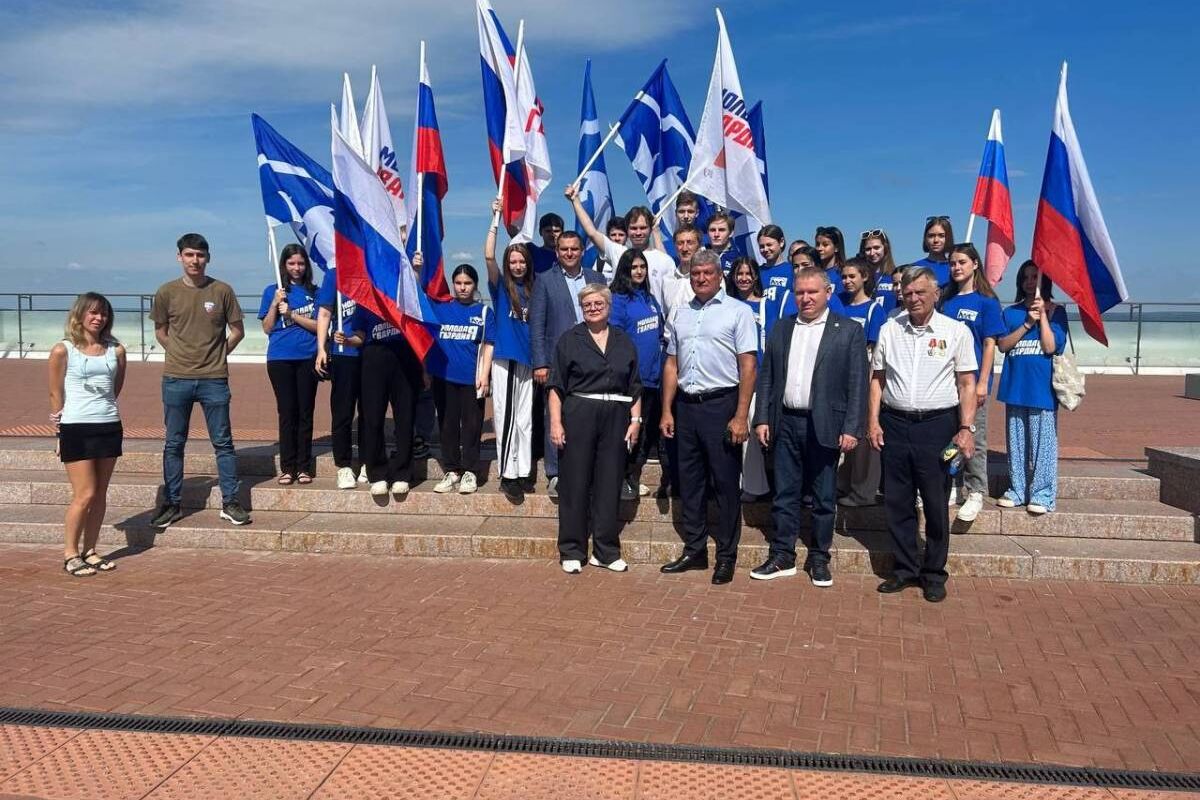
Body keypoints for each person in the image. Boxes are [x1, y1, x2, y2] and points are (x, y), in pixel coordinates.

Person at [867, 267, 978, 602]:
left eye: (920, 293)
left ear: (935, 294)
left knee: (934, 501)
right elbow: (878, 379)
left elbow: (967, 383)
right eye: (908, 292)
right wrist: (872, 421)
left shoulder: (956, 331)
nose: (913, 298)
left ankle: (933, 574)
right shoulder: (889, 329)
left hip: (937, 426)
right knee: (898, 502)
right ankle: (904, 570)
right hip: (895, 424)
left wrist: (965, 427)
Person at [753, 268, 867, 586]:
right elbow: (768, 378)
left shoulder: (847, 331)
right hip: (785, 421)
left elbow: (857, 383)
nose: (805, 298)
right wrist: (762, 417)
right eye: (800, 292)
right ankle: (782, 555)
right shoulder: (781, 328)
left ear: (828, 292)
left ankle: (819, 557)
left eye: (812, 292)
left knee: (823, 496)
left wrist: (851, 427)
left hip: (826, 424)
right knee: (785, 494)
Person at [659, 250, 758, 585]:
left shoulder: (738, 312)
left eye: (706, 273)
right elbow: (672, 363)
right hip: (686, 407)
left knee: (726, 484)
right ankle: (695, 549)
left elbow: (748, 366)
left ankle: (726, 555)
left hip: (722, 405)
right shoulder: (681, 313)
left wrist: (741, 415)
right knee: (690, 481)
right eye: (695, 273)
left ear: (719, 275)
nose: (700, 278)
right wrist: (666, 409)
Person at [150, 233, 249, 528]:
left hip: (214, 380)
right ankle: (172, 503)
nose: (195, 260)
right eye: (190, 255)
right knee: (173, 443)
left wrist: (218, 355)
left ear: (208, 258)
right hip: (176, 378)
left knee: (223, 443)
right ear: (179, 257)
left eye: (200, 255)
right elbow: (161, 331)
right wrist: (180, 353)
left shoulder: (222, 291)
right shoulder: (166, 292)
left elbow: (237, 331)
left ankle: (230, 502)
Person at [549, 284, 643, 574]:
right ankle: (572, 549)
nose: (592, 307)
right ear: (582, 307)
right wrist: (555, 422)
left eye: (598, 303)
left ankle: (605, 550)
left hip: (616, 416)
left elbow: (634, 386)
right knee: (575, 483)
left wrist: (636, 421)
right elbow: (556, 386)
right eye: (587, 303)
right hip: (579, 414)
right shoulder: (569, 340)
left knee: (609, 483)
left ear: (608, 306)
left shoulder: (623, 340)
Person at [49, 293, 126, 576]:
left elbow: (115, 388)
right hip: (76, 427)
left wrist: (102, 410)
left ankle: (90, 550)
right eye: (93, 312)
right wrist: (58, 432)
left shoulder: (115, 350)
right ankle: (70, 553)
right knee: (85, 493)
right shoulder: (63, 350)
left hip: (108, 425)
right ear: (80, 315)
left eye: (103, 313)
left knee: (101, 493)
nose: (98, 318)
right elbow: (56, 393)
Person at [530, 230, 606, 497]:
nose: (570, 253)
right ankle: (555, 472)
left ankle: (589, 467)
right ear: (557, 252)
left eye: (574, 249)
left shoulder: (596, 278)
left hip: (592, 358)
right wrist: (540, 362)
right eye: (564, 249)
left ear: (582, 251)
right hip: (557, 359)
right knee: (555, 413)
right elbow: (537, 325)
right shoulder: (544, 280)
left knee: (589, 412)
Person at [995, 261, 1069, 515]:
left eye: (1034, 276)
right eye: (1025, 277)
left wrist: (1044, 317)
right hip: (1016, 386)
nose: (1029, 281)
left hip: (1042, 391)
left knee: (1043, 445)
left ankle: (1042, 493)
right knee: (1016, 444)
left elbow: (1050, 346)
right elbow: (1003, 345)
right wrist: (1027, 322)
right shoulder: (1011, 312)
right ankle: (1017, 489)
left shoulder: (1057, 311)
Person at [418, 260, 495, 495]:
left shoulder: (483, 312)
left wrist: (484, 374)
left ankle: (470, 471)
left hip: (472, 379)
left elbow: (489, 344)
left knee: (472, 426)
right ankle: (452, 470)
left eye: (468, 283)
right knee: (447, 425)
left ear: (475, 284)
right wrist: (418, 269)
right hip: (443, 377)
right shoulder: (441, 308)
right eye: (458, 283)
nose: (463, 287)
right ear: (452, 284)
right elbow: (417, 297)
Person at [940, 243, 1005, 522]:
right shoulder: (945, 301)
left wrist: (983, 382)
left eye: (962, 262)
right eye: (953, 263)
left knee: (974, 436)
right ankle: (953, 484)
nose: (957, 268)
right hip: (945, 381)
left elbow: (990, 344)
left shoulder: (986, 302)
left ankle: (976, 489)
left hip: (972, 380)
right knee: (949, 435)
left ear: (975, 264)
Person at [349, 297, 424, 499]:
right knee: (372, 419)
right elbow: (359, 335)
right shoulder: (365, 301)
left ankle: (403, 473)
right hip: (374, 358)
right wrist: (347, 340)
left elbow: (420, 331)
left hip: (405, 358)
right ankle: (377, 473)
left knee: (405, 419)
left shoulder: (405, 298)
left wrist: (425, 368)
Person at [258, 244, 319, 485]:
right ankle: (288, 467)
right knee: (287, 412)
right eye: (292, 263)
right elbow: (267, 328)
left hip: (308, 357)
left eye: (301, 263)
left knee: (305, 412)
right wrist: (275, 304)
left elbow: (320, 326)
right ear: (284, 265)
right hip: (280, 359)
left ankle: (304, 466)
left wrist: (293, 315)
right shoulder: (273, 291)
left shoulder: (316, 292)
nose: (296, 268)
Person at [485, 218, 536, 501]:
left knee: (524, 418)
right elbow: (489, 255)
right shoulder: (502, 288)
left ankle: (524, 468)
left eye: (521, 262)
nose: (517, 266)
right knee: (506, 417)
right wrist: (495, 221)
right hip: (506, 359)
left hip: (527, 360)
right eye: (513, 262)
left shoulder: (533, 288)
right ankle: (507, 472)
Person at [609, 249, 663, 500]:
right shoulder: (618, 299)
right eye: (634, 267)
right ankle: (619, 479)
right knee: (626, 432)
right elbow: (615, 339)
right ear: (625, 270)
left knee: (645, 433)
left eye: (642, 266)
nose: (639, 271)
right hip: (629, 381)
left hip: (653, 379)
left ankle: (632, 476)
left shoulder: (650, 299)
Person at [567, 186, 675, 309]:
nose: (638, 232)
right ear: (627, 230)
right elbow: (592, 232)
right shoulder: (618, 252)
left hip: (654, 322)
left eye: (643, 228)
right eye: (633, 228)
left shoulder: (665, 260)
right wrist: (575, 200)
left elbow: (671, 301)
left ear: (650, 229)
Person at [836, 258, 886, 507]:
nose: (847, 281)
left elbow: (875, 351)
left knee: (865, 434)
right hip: (839, 373)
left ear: (864, 277)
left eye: (852, 276)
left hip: (863, 371)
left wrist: (867, 386)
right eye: (844, 277)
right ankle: (842, 483)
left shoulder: (874, 310)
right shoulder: (839, 305)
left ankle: (864, 491)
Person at [315, 267, 366, 489]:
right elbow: (325, 313)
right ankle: (344, 466)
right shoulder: (335, 274)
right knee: (343, 412)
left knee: (370, 413)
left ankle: (368, 461)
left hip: (371, 353)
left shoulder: (374, 268)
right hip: (343, 355)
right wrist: (321, 349)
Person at [724, 257, 771, 501]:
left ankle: (754, 486)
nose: (743, 278)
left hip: (755, 377)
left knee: (750, 433)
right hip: (728, 377)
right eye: (739, 273)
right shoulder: (726, 305)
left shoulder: (765, 305)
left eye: (748, 273)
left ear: (755, 277)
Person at [858, 229, 900, 312]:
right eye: (868, 249)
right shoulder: (859, 277)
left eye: (876, 248)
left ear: (885, 248)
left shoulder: (895, 276)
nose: (872, 253)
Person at [912, 216, 955, 287]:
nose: (936, 240)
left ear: (948, 238)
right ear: (925, 239)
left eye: (941, 236)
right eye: (931, 236)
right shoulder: (915, 268)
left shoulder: (955, 267)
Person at [596, 216, 628, 281]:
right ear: (608, 236)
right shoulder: (600, 261)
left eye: (621, 235)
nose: (617, 238)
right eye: (613, 235)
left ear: (627, 236)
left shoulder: (633, 257)